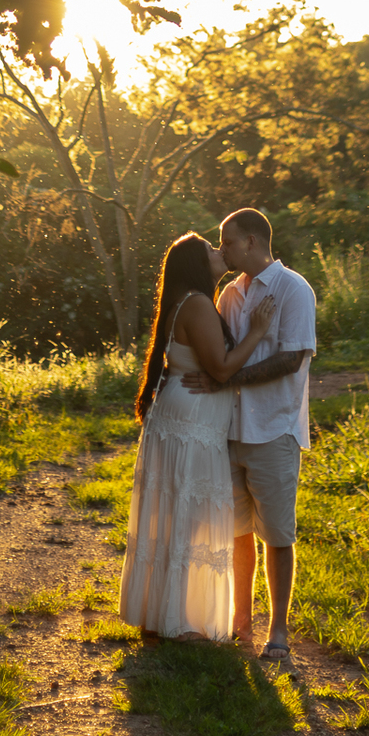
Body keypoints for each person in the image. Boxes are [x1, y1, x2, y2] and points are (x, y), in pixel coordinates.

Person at [118, 230, 276, 641]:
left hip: (184, 420)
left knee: (176, 517)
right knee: (188, 518)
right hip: (191, 426)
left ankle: (163, 614)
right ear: (195, 264)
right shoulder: (199, 305)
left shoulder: (186, 302)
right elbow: (222, 369)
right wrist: (257, 332)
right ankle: (181, 622)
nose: (218, 250)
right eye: (210, 249)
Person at [182, 207, 317, 664]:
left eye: (228, 242)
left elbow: (292, 359)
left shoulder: (292, 289)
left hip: (273, 429)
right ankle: (242, 623)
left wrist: (226, 381)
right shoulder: (229, 296)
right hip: (229, 431)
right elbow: (222, 357)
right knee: (238, 533)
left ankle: (277, 632)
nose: (222, 250)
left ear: (253, 243)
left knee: (277, 534)